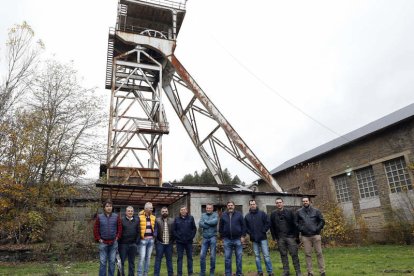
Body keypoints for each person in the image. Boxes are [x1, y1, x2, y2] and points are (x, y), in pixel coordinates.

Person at [270, 198, 302, 276]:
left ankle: (298, 271)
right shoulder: (273, 213)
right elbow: (272, 226)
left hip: (290, 237)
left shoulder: (290, 212)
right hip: (280, 237)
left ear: (283, 203)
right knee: (283, 254)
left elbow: (295, 224)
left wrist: (296, 236)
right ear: (275, 204)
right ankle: (286, 271)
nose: (279, 204)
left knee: (294, 254)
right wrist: (274, 237)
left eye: (280, 202)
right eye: (277, 203)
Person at [296, 197, 326, 276]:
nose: (305, 202)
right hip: (305, 237)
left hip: (316, 235)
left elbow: (322, 221)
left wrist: (317, 229)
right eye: (303, 201)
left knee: (319, 253)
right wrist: (301, 229)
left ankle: (322, 271)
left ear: (309, 201)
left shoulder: (316, 211)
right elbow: (296, 223)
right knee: (308, 254)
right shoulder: (299, 212)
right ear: (302, 202)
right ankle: (310, 272)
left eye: (306, 201)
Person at [244, 199, 273, 276]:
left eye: (254, 204)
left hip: (263, 238)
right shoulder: (247, 216)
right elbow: (245, 227)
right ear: (249, 205)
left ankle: (270, 272)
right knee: (257, 256)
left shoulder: (262, 214)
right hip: (254, 239)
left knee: (266, 255)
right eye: (251, 204)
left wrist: (264, 230)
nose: (252, 205)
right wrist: (250, 233)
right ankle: (260, 272)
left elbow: (268, 222)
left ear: (256, 205)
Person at [94, 199, 122, 276]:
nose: (109, 208)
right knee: (103, 262)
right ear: (104, 208)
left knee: (112, 262)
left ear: (112, 207)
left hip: (113, 243)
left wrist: (117, 237)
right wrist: (98, 239)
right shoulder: (99, 217)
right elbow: (95, 229)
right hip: (103, 243)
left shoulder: (116, 217)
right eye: (107, 206)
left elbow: (120, 228)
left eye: (110, 206)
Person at [219, 200, 246, 276]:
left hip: (238, 239)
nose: (230, 206)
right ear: (227, 207)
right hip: (227, 239)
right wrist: (222, 237)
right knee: (227, 258)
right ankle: (228, 273)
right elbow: (220, 227)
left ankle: (239, 273)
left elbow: (243, 226)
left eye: (231, 205)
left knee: (239, 258)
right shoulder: (223, 215)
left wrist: (243, 236)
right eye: (229, 205)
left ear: (234, 206)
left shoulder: (239, 215)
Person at [173, 206, 197, 276]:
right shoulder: (176, 219)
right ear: (180, 211)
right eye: (181, 210)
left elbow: (194, 229)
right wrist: (178, 238)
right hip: (179, 242)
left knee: (190, 258)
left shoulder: (191, 218)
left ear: (187, 211)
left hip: (189, 242)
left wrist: (191, 237)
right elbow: (174, 230)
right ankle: (179, 274)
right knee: (179, 258)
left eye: (184, 210)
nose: (183, 211)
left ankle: (190, 273)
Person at [118, 206, 140, 276]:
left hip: (133, 245)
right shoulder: (121, 220)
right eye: (129, 211)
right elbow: (119, 232)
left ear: (133, 212)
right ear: (126, 212)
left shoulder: (137, 220)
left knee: (132, 262)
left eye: (131, 211)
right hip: (123, 245)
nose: (130, 212)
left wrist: (136, 242)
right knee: (121, 262)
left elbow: (139, 232)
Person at [154, 206, 175, 276]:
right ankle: (156, 274)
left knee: (169, 260)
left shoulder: (172, 220)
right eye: (163, 211)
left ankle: (170, 274)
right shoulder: (157, 220)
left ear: (168, 212)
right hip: (160, 243)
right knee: (158, 260)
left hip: (169, 244)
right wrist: (156, 241)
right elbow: (155, 231)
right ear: (161, 212)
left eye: (166, 211)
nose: (164, 213)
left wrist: (172, 241)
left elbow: (174, 231)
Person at [199, 203, 218, 276]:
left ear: (212, 209)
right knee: (202, 255)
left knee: (212, 256)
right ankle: (202, 272)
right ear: (206, 208)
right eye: (207, 208)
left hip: (213, 237)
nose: (208, 209)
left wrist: (206, 222)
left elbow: (215, 222)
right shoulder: (203, 215)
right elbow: (200, 224)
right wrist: (210, 224)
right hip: (205, 238)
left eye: (210, 208)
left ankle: (212, 272)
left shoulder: (215, 214)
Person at [137, 202, 156, 276]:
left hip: (151, 240)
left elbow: (156, 228)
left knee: (148, 258)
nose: (152, 208)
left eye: (152, 207)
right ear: (146, 208)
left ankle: (145, 273)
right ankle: (139, 274)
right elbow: (137, 228)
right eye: (150, 207)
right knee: (142, 258)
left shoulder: (153, 217)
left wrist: (155, 236)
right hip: (143, 240)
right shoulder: (140, 217)